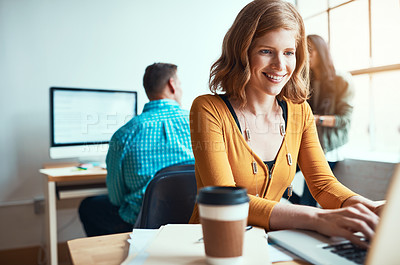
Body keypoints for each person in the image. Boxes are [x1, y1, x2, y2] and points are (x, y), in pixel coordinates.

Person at [188, 0, 383, 247]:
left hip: (270, 246)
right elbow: (228, 201)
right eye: (266, 51)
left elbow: (323, 185)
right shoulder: (208, 109)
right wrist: (318, 217)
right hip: (211, 246)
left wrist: (368, 208)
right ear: (242, 52)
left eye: (289, 52)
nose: (281, 65)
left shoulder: (300, 111)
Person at [79, 63, 195, 237]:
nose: (181, 89)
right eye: (180, 84)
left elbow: (116, 198)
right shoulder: (199, 123)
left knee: (89, 207)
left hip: (145, 220)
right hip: (192, 216)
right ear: (172, 85)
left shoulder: (123, 135)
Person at [291, 34, 355, 206]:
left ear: (322, 51)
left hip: (329, 148)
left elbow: (344, 120)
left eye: (310, 50)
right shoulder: (305, 80)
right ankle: (303, 208)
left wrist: (314, 119)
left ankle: (307, 212)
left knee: (308, 200)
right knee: (276, 181)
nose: (306, 54)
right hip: (306, 146)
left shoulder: (342, 80)